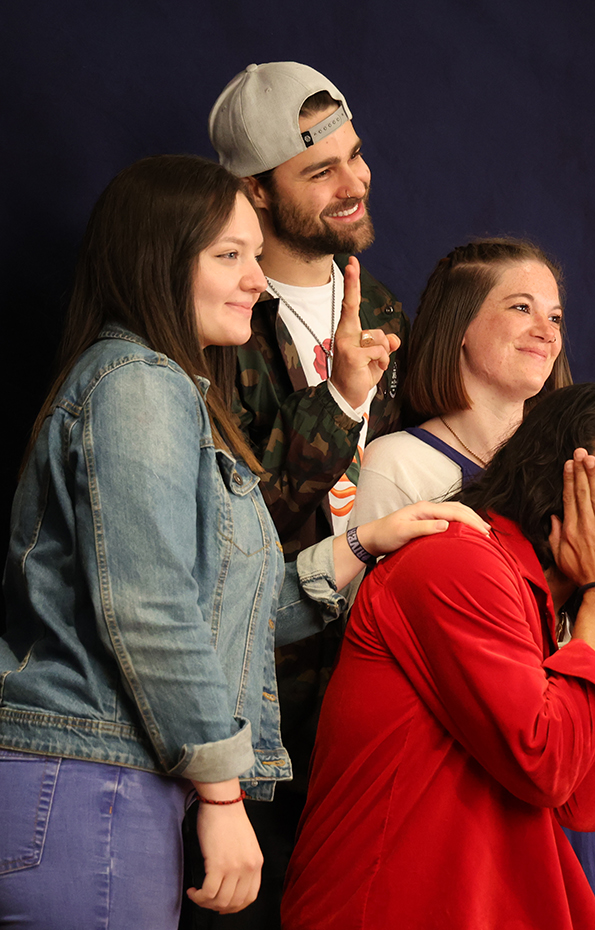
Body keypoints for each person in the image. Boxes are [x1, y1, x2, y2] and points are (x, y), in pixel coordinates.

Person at [0, 154, 486, 929]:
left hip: (89, 785)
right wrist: (223, 796)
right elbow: (151, 611)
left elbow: (226, 613)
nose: (256, 281)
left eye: (254, 258)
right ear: (156, 263)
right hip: (84, 780)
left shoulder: (168, 390)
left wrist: (364, 545)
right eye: (227, 256)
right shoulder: (138, 385)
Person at [349, 240, 595, 930]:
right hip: (482, 785)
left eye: (555, 315)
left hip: (570, 755)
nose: (546, 330)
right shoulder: (420, 495)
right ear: (458, 325)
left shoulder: (582, 475)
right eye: (520, 307)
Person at [283, 383, 595, 930]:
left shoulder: (550, 612)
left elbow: (591, 800)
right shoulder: (458, 562)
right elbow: (546, 764)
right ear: (563, 466)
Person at [201, 61, 407, 927]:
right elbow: (233, 542)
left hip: (374, 723)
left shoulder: (390, 308)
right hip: (257, 733)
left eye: (356, 157)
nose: (354, 184)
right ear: (254, 189)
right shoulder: (217, 325)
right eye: (319, 170)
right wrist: (341, 404)